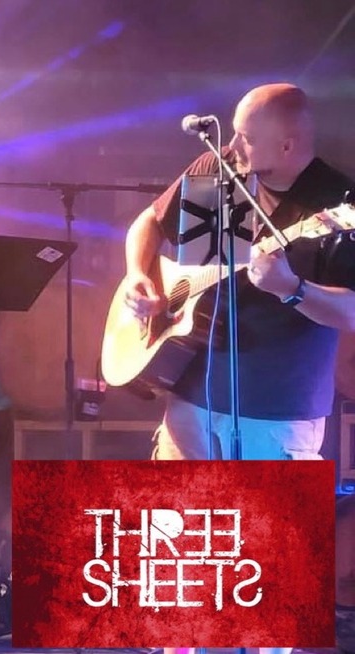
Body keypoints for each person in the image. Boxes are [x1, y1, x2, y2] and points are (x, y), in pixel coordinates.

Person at [122, 83, 355, 653]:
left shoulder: (339, 202)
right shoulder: (217, 169)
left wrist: (292, 288)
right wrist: (139, 275)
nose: (233, 147)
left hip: (278, 407)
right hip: (192, 392)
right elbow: (147, 223)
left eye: (246, 138)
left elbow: (351, 309)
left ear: (288, 144)